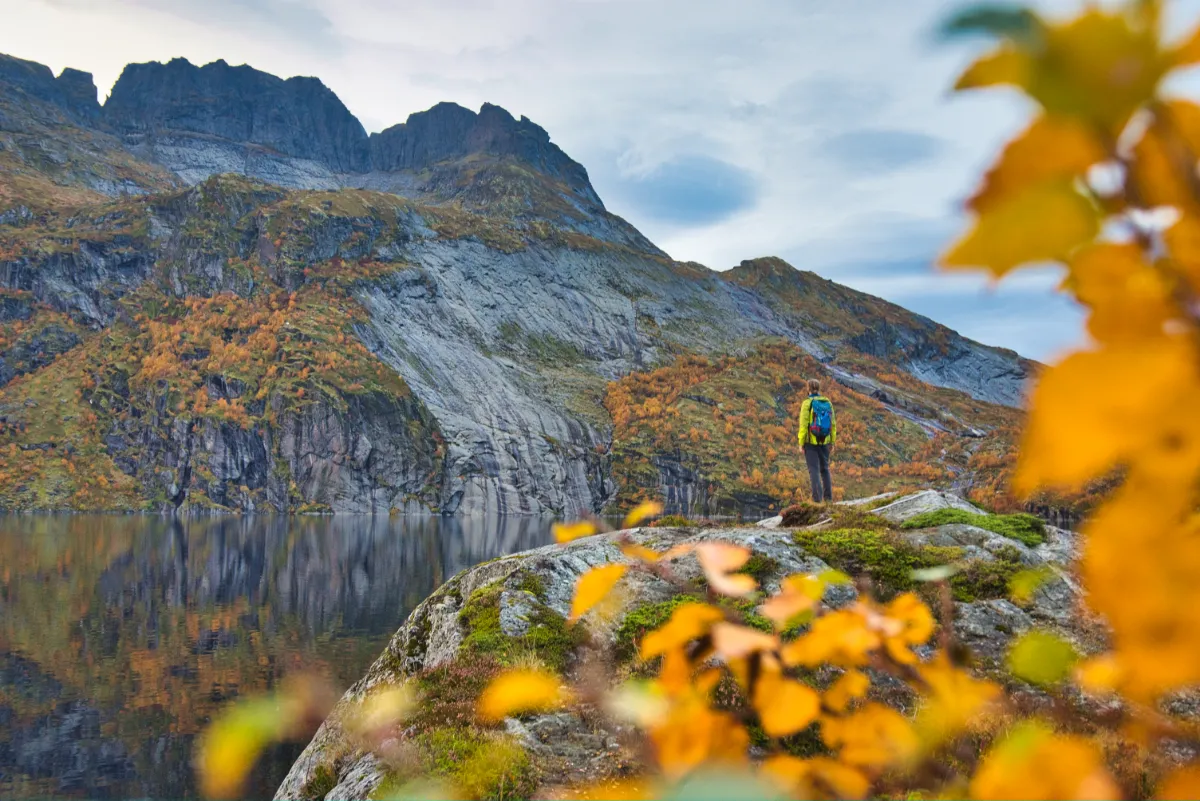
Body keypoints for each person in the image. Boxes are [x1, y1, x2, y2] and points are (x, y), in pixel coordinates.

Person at [797, 379, 836, 503]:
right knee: (825, 469)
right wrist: (832, 441)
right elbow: (833, 424)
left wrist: (801, 442)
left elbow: (803, 426)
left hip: (811, 442)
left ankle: (817, 500)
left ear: (808, 389)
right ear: (819, 388)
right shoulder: (827, 402)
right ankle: (828, 499)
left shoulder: (807, 403)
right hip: (825, 440)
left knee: (813, 469)